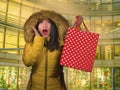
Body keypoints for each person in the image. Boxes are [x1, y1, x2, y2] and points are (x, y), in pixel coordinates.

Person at [22, 10, 69, 90]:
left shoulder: (61, 43)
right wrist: (38, 40)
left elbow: (73, 56)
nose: (44, 25)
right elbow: (27, 62)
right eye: (41, 22)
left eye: (48, 22)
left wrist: (77, 26)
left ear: (54, 26)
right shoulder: (31, 43)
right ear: (36, 26)